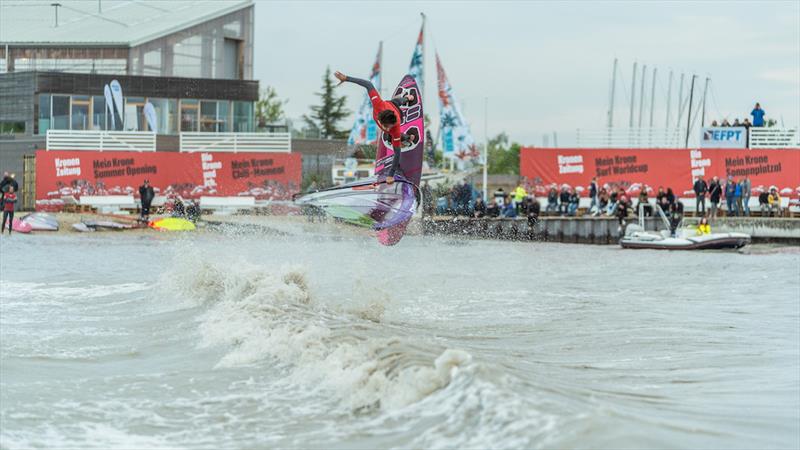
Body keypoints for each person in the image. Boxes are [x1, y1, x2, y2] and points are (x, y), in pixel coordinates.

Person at [334, 71, 417, 183]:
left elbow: (397, 153)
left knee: (391, 136)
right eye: (386, 127)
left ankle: (408, 137)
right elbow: (368, 84)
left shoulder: (394, 127)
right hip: (389, 105)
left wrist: (391, 175)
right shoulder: (378, 103)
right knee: (395, 103)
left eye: (389, 127)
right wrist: (346, 78)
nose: (388, 129)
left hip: (397, 113)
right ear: (382, 121)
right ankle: (407, 99)